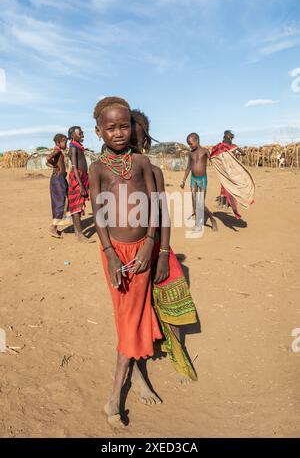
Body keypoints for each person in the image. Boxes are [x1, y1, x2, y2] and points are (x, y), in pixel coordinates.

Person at [89, 97, 162, 428]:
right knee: (127, 317)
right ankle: (117, 394)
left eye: (124, 126)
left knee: (134, 316)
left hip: (141, 251)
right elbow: (99, 215)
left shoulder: (141, 162)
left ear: (132, 127)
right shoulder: (98, 168)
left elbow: (155, 208)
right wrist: (109, 254)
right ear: (98, 131)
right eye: (110, 127)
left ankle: (115, 397)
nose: (118, 133)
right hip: (116, 254)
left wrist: (149, 244)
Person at [131, 110, 198, 382]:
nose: (132, 145)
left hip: (157, 245)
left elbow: (163, 215)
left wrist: (163, 253)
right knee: (135, 309)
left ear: (145, 140)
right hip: (129, 251)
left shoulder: (154, 171)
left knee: (172, 292)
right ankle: (135, 367)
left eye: (137, 138)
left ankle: (177, 349)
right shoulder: (112, 173)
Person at [210, 130, 252, 220]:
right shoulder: (233, 147)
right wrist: (236, 153)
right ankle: (231, 206)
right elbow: (243, 153)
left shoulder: (219, 147)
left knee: (224, 186)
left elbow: (213, 156)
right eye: (230, 138)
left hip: (224, 171)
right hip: (232, 172)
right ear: (229, 137)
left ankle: (223, 204)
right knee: (232, 187)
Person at [180, 133, 218, 231]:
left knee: (200, 203)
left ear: (197, 141)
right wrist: (183, 180)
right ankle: (198, 224)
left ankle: (212, 219)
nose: (190, 146)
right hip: (193, 179)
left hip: (202, 180)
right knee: (194, 203)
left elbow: (213, 160)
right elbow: (188, 167)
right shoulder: (190, 153)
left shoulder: (205, 151)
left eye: (191, 143)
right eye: (188, 144)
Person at [67, 126, 89, 241]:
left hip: (82, 176)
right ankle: (80, 234)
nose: (82, 135)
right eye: (79, 133)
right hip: (77, 178)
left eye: (82, 133)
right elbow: (75, 167)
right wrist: (81, 186)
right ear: (72, 136)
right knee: (77, 206)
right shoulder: (73, 148)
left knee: (78, 205)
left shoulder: (77, 146)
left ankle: (77, 232)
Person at [46, 133, 70, 238]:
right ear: (58, 142)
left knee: (63, 200)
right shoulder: (57, 150)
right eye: (65, 141)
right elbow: (48, 158)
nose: (66, 143)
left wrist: (54, 164)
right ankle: (53, 227)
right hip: (57, 179)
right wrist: (54, 165)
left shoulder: (60, 151)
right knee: (60, 202)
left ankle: (55, 227)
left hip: (60, 178)